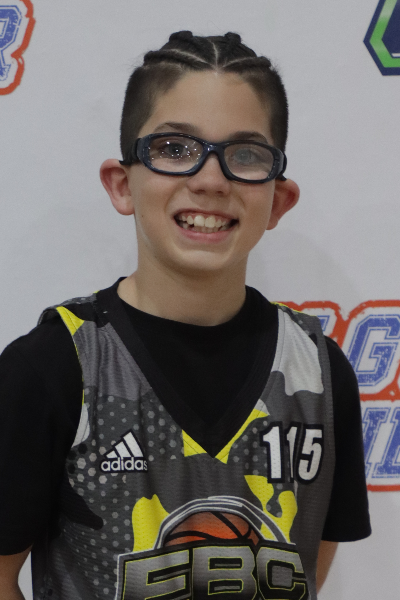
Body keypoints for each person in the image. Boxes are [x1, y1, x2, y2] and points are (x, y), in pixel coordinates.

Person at [0, 31, 370, 600]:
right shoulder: (53, 366)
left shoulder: (318, 374)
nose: (211, 180)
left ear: (277, 199)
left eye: (245, 155)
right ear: (122, 185)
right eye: (174, 149)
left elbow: (306, 568)